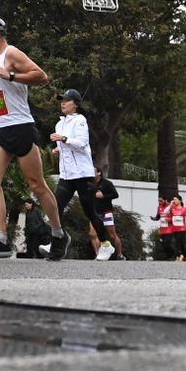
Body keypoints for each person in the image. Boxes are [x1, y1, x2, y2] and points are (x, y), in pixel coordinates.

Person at [0, 17, 66, 259]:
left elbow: (41, 76)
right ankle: (1, 240)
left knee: (37, 185)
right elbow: (7, 93)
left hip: (21, 127)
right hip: (0, 127)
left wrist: (10, 76)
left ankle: (58, 235)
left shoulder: (11, 53)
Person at [47, 89, 112, 261]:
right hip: (66, 175)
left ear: (75, 104)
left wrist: (64, 139)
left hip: (82, 174)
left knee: (90, 212)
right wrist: (58, 148)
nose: (62, 103)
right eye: (61, 100)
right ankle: (57, 242)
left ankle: (106, 244)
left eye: (66, 100)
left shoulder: (80, 120)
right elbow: (66, 145)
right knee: (55, 207)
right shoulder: (59, 124)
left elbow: (82, 143)